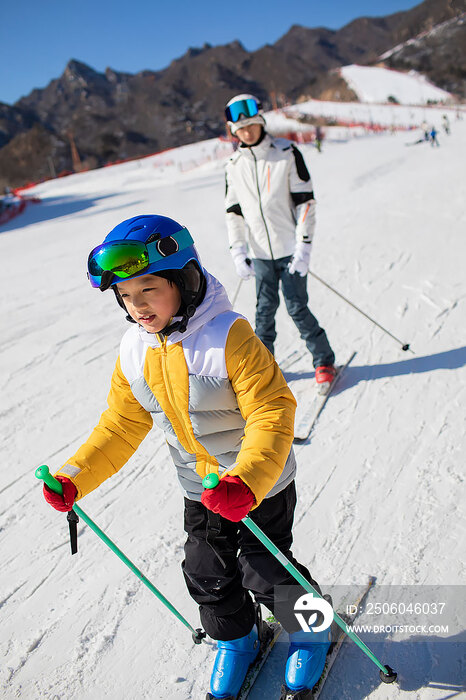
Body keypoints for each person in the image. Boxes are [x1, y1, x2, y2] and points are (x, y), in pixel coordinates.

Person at [41, 214, 332, 698]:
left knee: (266, 569)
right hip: (200, 488)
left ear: (184, 278)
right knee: (206, 569)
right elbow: (121, 423)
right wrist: (75, 476)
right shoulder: (135, 350)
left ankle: (310, 627)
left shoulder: (228, 335)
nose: (138, 307)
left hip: (259, 482)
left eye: (148, 289)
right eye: (126, 296)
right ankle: (237, 638)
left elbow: (271, 409)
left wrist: (249, 480)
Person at [224, 94, 336, 391]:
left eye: (251, 125)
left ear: (261, 122)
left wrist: (304, 246)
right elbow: (233, 212)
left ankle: (324, 360)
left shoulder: (286, 153)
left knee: (297, 308)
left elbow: (305, 203)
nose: (247, 132)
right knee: (263, 313)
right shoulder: (233, 165)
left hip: (290, 250)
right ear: (234, 132)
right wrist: (238, 250)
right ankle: (263, 370)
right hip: (259, 253)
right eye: (240, 128)